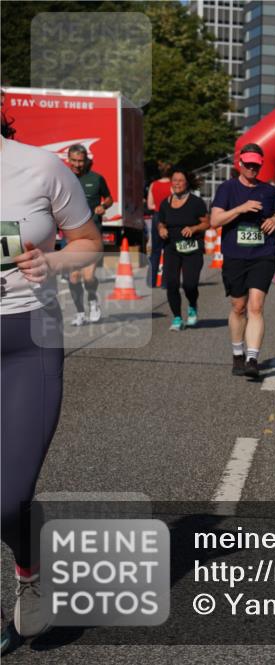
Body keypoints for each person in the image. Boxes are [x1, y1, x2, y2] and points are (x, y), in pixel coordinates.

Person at [1, 124, 103, 652]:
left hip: (25, 343)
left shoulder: (39, 167)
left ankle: (29, 572)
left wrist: (52, 261)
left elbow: (89, 243)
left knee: (7, 499)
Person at [210, 143, 275, 379]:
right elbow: (215, 220)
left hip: (263, 254)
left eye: (255, 165)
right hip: (235, 256)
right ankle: (237, 353)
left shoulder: (268, 191)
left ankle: (252, 358)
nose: (252, 169)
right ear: (240, 164)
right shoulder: (227, 189)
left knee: (256, 306)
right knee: (238, 307)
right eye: (248, 164)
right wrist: (240, 209)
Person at [66, 144, 112, 325]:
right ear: (68, 160)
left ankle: (93, 302)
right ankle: (79, 313)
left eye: (81, 161)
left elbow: (108, 198)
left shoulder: (96, 178)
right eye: (74, 160)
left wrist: (104, 206)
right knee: (73, 277)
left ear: (86, 160)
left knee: (88, 276)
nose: (78, 164)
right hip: (71, 237)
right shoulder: (63, 179)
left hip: (92, 235)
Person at [157, 170, 209, 330]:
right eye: (175, 180)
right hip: (172, 247)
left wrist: (193, 228)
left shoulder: (196, 202)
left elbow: (207, 223)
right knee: (171, 283)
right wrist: (161, 229)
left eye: (181, 180)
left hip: (192, 247)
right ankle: (177, 318)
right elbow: (161, 222)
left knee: (190, 284)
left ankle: (192, 305)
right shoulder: (165, 203)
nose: (177, 183)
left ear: (187, 183)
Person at [146, 161, 173, 289]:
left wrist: (157, 206)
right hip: (169, 217)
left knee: (155, 251)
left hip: (156, 216)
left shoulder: (153, 185)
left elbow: (149, 205)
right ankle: (165, 282)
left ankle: (151, 281)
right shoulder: (173, 185)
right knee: (168, 250)